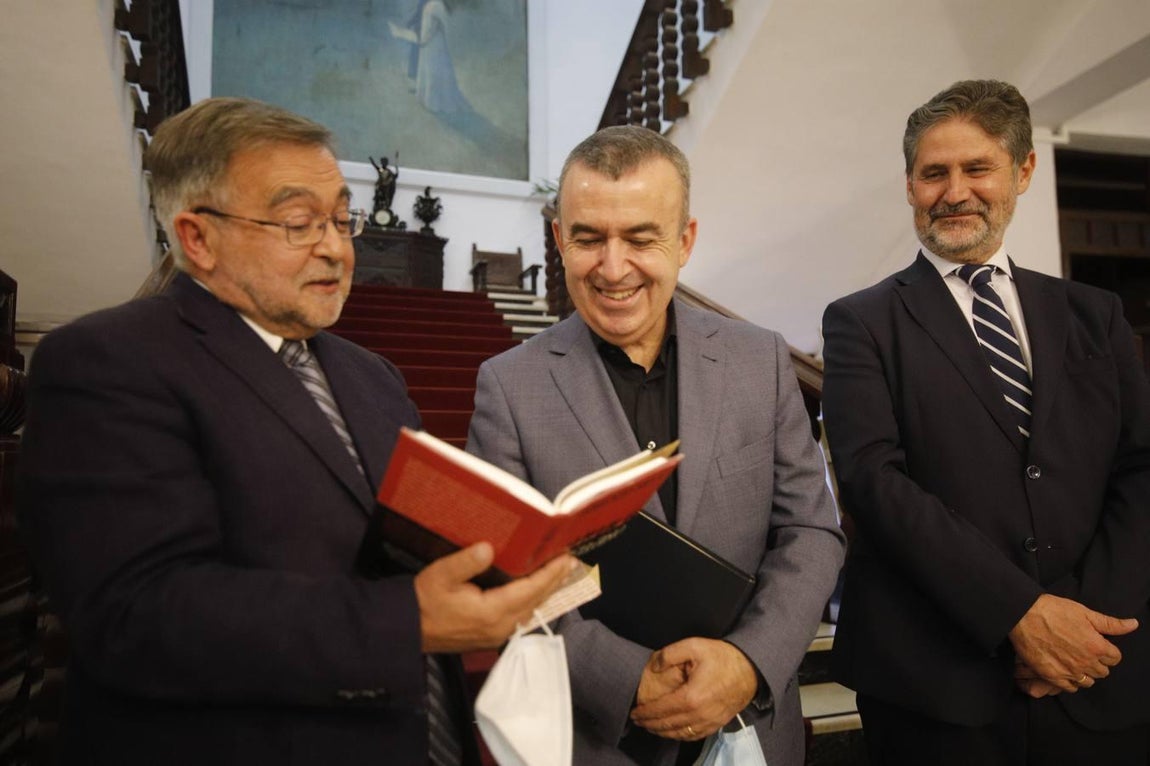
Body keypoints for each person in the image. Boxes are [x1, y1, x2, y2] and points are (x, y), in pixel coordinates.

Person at [17, 97, 574, 766]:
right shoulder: (106, 363)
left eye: (342, 219)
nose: (338, 249)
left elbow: (391, 547)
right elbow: (138, 614)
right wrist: (408, 621)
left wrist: (507, 558)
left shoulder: (373, 378)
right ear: (198, 238)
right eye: (299, 223)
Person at [466, 125, 846, 766]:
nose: (613, 268)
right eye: (589, 238)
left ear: (685, 241)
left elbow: (811, 532)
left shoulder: (761, 361)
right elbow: (509, 577)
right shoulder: (509, 387)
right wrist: (628, 678)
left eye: (641, 238)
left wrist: (749, 662)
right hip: (600, 742)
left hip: (751, 731)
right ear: (560, 239)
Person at [821, 79, 1150, 765]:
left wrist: (1076, 627)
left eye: (978, 168)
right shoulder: (860, 323)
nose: (955, 191)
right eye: (933, 173)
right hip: (935, 691)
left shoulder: (1095, 315)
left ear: (1023, 170)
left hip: (1096, 673)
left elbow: (1140, 468)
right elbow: (874, 482)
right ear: (910, 185)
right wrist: (1020, 616)